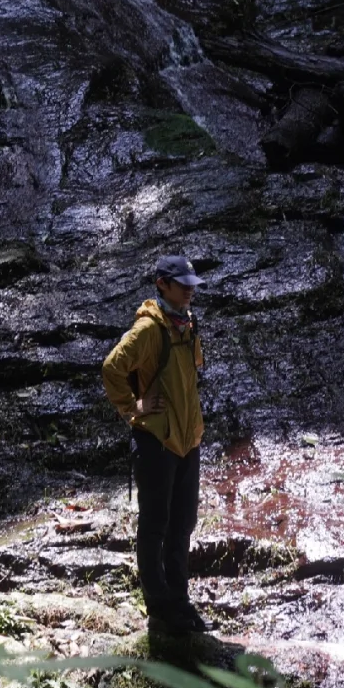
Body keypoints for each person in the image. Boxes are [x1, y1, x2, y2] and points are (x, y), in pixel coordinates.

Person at [102, 254, 207, 636]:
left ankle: (179, 601)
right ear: (162, 284)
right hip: (157, 443)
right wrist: (133, 408)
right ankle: (159, 607)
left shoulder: (187, 324)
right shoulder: (149, 329)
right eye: (183, 285)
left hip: (187, 441)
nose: (190, 291)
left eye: (192, 285)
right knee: (155, 526)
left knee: (183, 524)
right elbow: (112, 367)